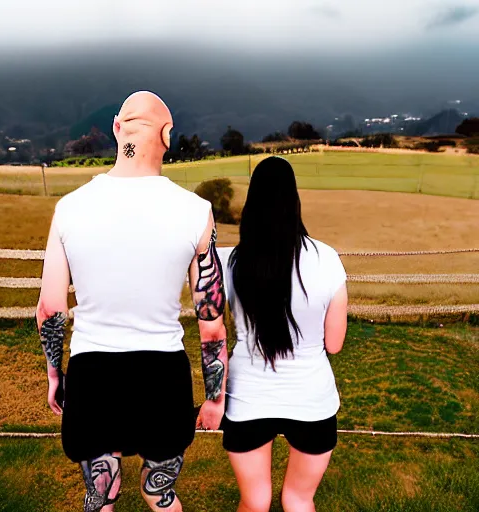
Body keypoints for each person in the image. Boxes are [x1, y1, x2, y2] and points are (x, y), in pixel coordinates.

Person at [36, 91, 227, 512]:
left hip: (93, 372)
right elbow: (211, 319)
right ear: (167, 134)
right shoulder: (196, 210)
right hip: (162, 375)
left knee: (101, 496)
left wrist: (56, 375)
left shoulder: (69, 208)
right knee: (160, 494)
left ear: (117, 128)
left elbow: (51, 308)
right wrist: (215, 396)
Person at [218, 156, 348, 512]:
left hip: (247, 397)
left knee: (255, 501)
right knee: (299, 499)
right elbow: (334, 345)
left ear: (251, 202)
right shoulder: (327, 259)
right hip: (312, 398)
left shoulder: (229, 262)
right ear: (294, 200)